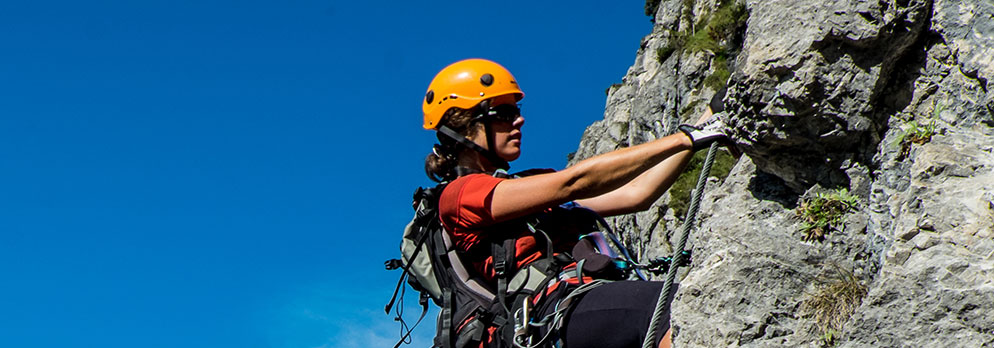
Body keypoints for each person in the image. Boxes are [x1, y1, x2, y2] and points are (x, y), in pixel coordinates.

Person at [421, 58, 730, 348]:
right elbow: (574, 182)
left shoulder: (524, 189)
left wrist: (705, 119)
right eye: (503, 113)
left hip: (567, 309)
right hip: (542, 313)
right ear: (463, 125)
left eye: (516, 111)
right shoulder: (460, 196)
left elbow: (638, 193)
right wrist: (685, 139)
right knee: (668, 306)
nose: (519, 120)